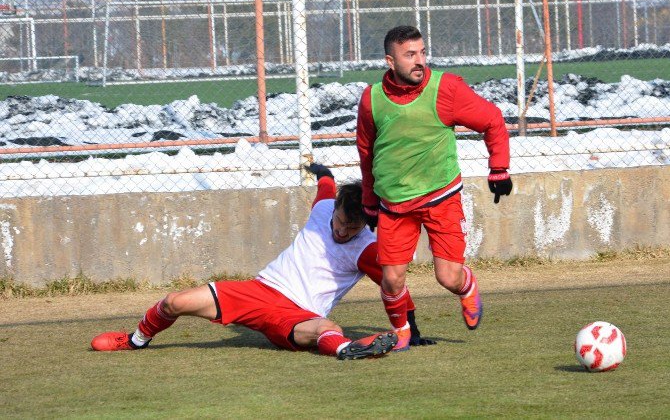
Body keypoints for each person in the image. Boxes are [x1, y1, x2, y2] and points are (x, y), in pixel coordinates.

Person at [90, 164, 434, 360]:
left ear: (366, 224)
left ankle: (348, 350)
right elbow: (327, 187)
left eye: (352, 227)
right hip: (259, 291)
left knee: (328, 330)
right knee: (175, 301)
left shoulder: (367, 249)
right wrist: (323, 173)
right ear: (337, 210)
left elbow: (395, 284)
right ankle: (134, 341)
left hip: (299, 314)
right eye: (342, 222)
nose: (343, 230)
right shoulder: (325, 208)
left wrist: (411, 330)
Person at [356, 25, 512, 351]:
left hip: (441, 198)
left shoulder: (446, 89)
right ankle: (401, 334)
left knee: (448, 277)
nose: (419, 61)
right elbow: (367, 152)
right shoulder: (371, 100)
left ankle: (467, 288)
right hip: (394, 205)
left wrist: (498, 169)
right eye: (410, 55)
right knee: (391, 279)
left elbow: (492, 119)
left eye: (422, 52)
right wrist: (369, 201)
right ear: (390, 60)